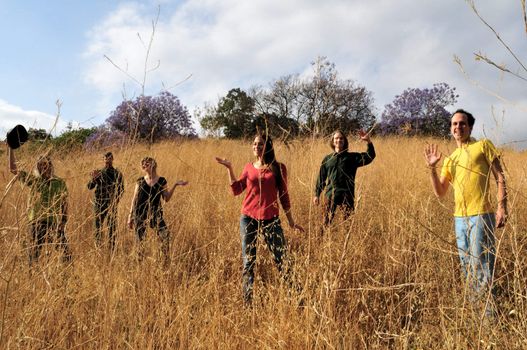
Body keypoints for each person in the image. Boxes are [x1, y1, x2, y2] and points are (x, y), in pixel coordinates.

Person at [424, 109, 507, 316]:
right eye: (454, 124)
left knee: (482, 266)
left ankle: (489, 321)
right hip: (459, 219)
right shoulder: (451, 158)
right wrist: (432, 169)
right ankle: (475, 314)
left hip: (482, 215)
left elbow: (500, 177)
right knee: (467, 269)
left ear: (470, 127)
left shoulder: (483, 146)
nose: (457, 127)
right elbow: (440, 192)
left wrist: (501, 206)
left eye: (462, 124)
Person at [216, 133, 304, 304]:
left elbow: (284, 196)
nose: (257, 147)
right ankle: (247, 303)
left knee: (282, 259)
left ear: (267, 146)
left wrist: (291, 221)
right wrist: (229, 169)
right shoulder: (249, 167)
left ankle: (297, 297)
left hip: (271, 219)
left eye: (261, 144)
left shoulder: (278, 168)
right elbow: (236, 189)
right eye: (255, 144)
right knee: (249, 262)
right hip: (248, 218)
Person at [8, 146, 71, 265]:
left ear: (51, 166)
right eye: (40, 165)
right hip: (36, 223)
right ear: (37, 167)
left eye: (46, 164)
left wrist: (63, 220)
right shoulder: (33, 180)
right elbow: (13, 169)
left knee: (65, 254)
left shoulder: (59, 182)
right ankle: (32, 280)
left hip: (53, 223)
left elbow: (64, 203)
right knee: (33, 256)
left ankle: (67, 279)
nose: (44, 167)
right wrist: (11, 148)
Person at [127, 157, 188, 264]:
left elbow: (166, 198)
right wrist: (130, 216)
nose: (144, 165)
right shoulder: (140, 181)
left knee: (166, 236)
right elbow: (134, 199)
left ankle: (163, 261)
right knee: (140, 242)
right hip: (140, 214)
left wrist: (175, 185)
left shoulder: (161, 181)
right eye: (142, 164)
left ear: (153, 164)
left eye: (146, 163)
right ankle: (139, 264)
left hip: (155, 214)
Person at [313, 130, 376, 227]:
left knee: (348, 223)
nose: (339, 140)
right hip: (330, 195)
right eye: (336, 138)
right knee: (325, 223)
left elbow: (370, 157)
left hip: (347, 195)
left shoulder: (352, 157)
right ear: (333, 141)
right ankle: (323, 241)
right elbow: (321, 178)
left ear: (345, 141)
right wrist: (317, 194)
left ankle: (346, 241)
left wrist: (369, 142)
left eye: (341, 138)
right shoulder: (328, 159)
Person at [87, 152, 124, 252]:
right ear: (103, 160)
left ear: (113, 159)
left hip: (112, 204)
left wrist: (115, 201)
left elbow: (121, 190)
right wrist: (94, 179)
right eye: (105, 158)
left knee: (112, 226)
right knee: (97, 226)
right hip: (99, 203)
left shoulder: (117, 173)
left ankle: (112, 248)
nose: (108, 160)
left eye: (110, 158)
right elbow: (89, 187)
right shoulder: (98, 172)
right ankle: (98, 248)